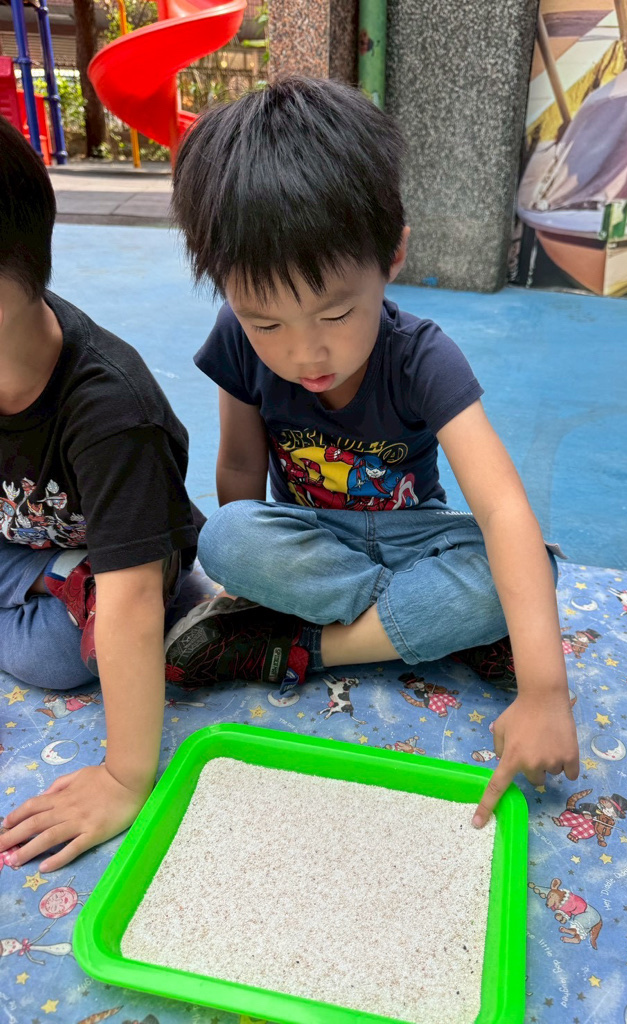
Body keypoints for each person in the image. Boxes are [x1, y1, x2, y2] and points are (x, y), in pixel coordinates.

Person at [165, 76, 580, 826]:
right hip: (315, 545)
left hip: (410, 539)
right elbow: (240, 470)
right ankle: (437, 633)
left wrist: (545, 691)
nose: (305, 353)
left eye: (335, 314)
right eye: (266, 323)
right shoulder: (235, 341)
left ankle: (302, 648)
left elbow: (502, 508)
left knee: (528, 568)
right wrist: (249, 587)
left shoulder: (423, 356)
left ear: (392, 256)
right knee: (224, 537)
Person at [0, 118, 202, 871]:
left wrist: (124, 777)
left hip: (125, 565)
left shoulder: (111, 411)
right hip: (26, 545)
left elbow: (134, 599)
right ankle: (53, 582)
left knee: (61, 657)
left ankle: (64, 588)